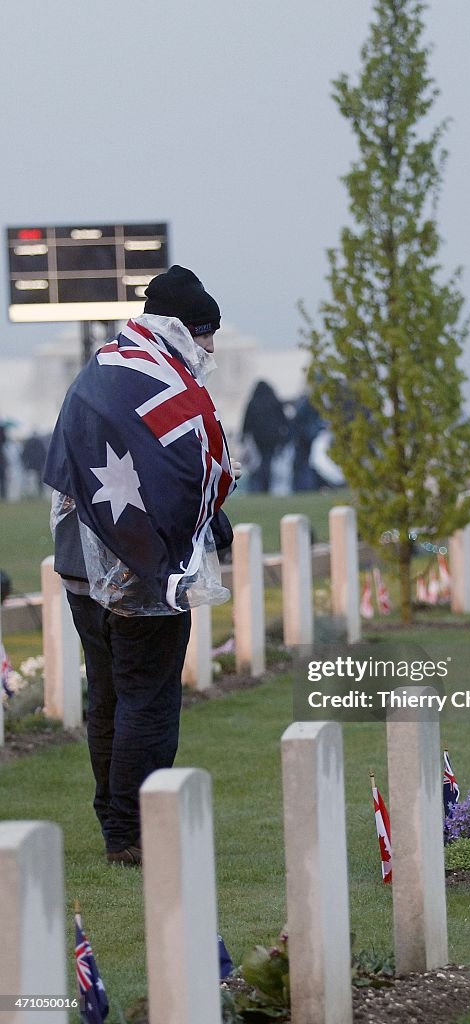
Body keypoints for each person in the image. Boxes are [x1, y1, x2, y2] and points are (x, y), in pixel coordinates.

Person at [44, 265, 239, 866]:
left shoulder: (105, 367)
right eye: (205, 334)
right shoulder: (164, 381)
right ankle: (133, 833)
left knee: (107, 698)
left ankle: (115, 820)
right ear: (186, 329)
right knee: (146, 700)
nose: (210, 348)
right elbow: (181, 478)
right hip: (141, 571)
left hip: (81, 565)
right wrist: (211, 526)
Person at [240, 380, 290, 492]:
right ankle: (265, 485)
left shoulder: (253, 403)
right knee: (267, 460)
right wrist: (284, 437)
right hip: (273, 437)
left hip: (258, 438)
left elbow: (247, 421)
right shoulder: (274, 401)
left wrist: (243, 437)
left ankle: (260, 486)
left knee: (260, 462)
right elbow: (284, 420)